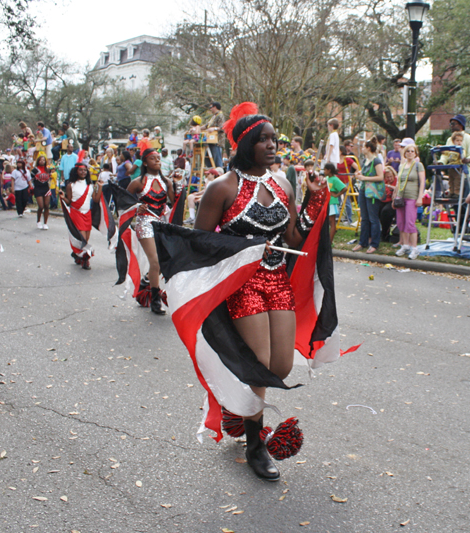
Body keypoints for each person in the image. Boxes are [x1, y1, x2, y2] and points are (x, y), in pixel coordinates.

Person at [193, 105, 328, 480]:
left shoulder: (282, 185)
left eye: (274, 139)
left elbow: (294, 239)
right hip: (243, 284)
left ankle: (240, 407)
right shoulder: (221, 188)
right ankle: (256, 445)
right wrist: (243, 251)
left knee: (281, 366)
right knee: (259, 365)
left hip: (277, 282)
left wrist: (314, 202)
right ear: (246, 143)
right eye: (264, 139)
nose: (272, 145)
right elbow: (200, 245)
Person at [127, 148, 176, 313]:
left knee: (162, 261)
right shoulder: (138, 182)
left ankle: (146, 280)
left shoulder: (166, 181)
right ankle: (155, 301)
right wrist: (136, 207)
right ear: (145, 162)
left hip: (162, 223)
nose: (157, 161)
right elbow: (123, 202)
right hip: (145, 223)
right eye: (153, 158)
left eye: (158, 158)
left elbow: (174, 202)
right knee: (155, 261)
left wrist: (178, 184)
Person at [61, 163, 102, 270]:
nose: (83, 172)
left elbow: (96, 200)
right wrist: (62, 197)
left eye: (85, 170)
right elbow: (69, 201)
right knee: (82, 239)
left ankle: (78, 255)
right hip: (76, 213)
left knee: (86, 239)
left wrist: (100, 187)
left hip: (87, 214)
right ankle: (85, 260)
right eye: (81, 170)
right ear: (76, 171)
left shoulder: (90, 185)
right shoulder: (70, 185)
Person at [352, 137, 385, 253]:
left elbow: (381, 176)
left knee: (373, 218)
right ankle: (363, 241)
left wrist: (364, 178)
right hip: (363, 190)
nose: (362, 149)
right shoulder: (365, 161)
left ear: (368, 148)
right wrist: (359, 174)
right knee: (364, 218)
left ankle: (374, 243)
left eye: (363, 147)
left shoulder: (376, 161)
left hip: (372, 192)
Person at [394, 143, 426, 259]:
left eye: (412, 151)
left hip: (412, 196)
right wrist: (395, 197)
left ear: (416, 153)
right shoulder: (401, 166)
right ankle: (405, 245)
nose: (410, 153)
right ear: (405, 153)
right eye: (408, 151)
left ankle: (414, 248)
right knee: (401, 222)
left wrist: (420, 197)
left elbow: (422, 182)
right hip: (401, 197)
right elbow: (399, 182)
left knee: (410, 222)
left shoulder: (418, 165)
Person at [439, 114, 470, 198]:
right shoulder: (450, 139)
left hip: (464, 174)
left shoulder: (468, 138)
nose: (451, 126)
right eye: (450, 124)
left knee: (463, 200)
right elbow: (446, 154)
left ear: (461, 125)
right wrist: (441, 162)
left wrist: (467, 160)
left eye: (453, 124)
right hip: (453, 169)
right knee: (454, 197)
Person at [323, 162, 346, 243]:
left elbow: (344, 188)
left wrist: (337, 195)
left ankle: (330, 241)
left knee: (332, 222)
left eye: (325, 170)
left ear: (329, 170)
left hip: (332, 202)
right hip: (327, 201)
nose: (324, 171)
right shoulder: (327, 178)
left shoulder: (335, 179)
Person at [30, 155, 51, 229]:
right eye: (40, 160)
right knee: (41, 206)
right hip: (38, 189)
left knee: (46, 206)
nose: (42, 161)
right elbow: (31, 179)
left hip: (46, 188)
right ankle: (38, 221)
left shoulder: (47, 169)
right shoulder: (35, 170)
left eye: (43, 160)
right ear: (38, 161)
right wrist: (31, 187)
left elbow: (49, 178)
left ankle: (45, 223)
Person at [205, 102, 225, 168]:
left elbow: (223, 127)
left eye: (211, 107)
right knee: (208, 159)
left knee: (217, 159)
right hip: (210, 140)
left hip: (217, 141)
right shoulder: (214, 116)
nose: (210, 109)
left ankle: (219, 173)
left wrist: (214, 128)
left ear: (215, 107)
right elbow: (207, 126)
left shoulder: (220, 115)